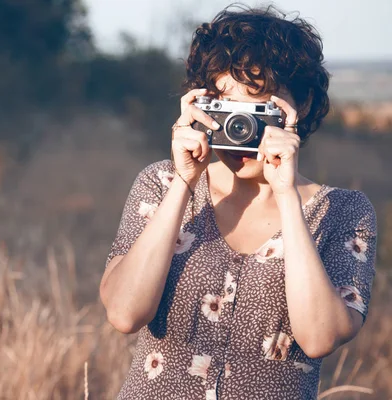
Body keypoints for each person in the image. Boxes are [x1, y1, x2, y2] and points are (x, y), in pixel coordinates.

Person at [99, 4, 377, 400]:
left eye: (259, 108)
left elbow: (319, 338)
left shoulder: (343, 212)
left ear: (301, 108)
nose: (240, 129)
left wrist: (286, 195)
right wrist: (183, 183)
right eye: (228, 108)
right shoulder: (160, 183)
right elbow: (124, 314)